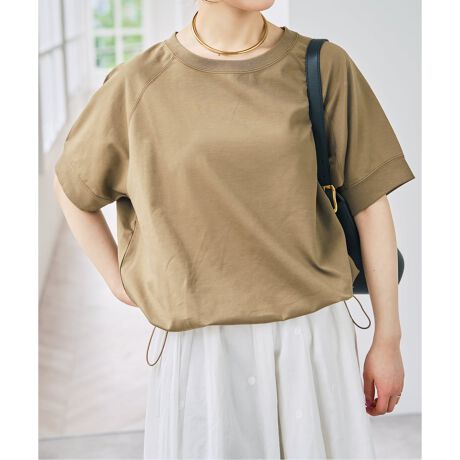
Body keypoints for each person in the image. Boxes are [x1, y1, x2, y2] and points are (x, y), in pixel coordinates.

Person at [53, 0, 415, 458]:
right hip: (203, 351)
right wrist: (117, 280)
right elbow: (72, 186)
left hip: (311, 340)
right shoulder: (139, 82)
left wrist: (388, 339)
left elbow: (371, 206)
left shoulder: (323, 66)